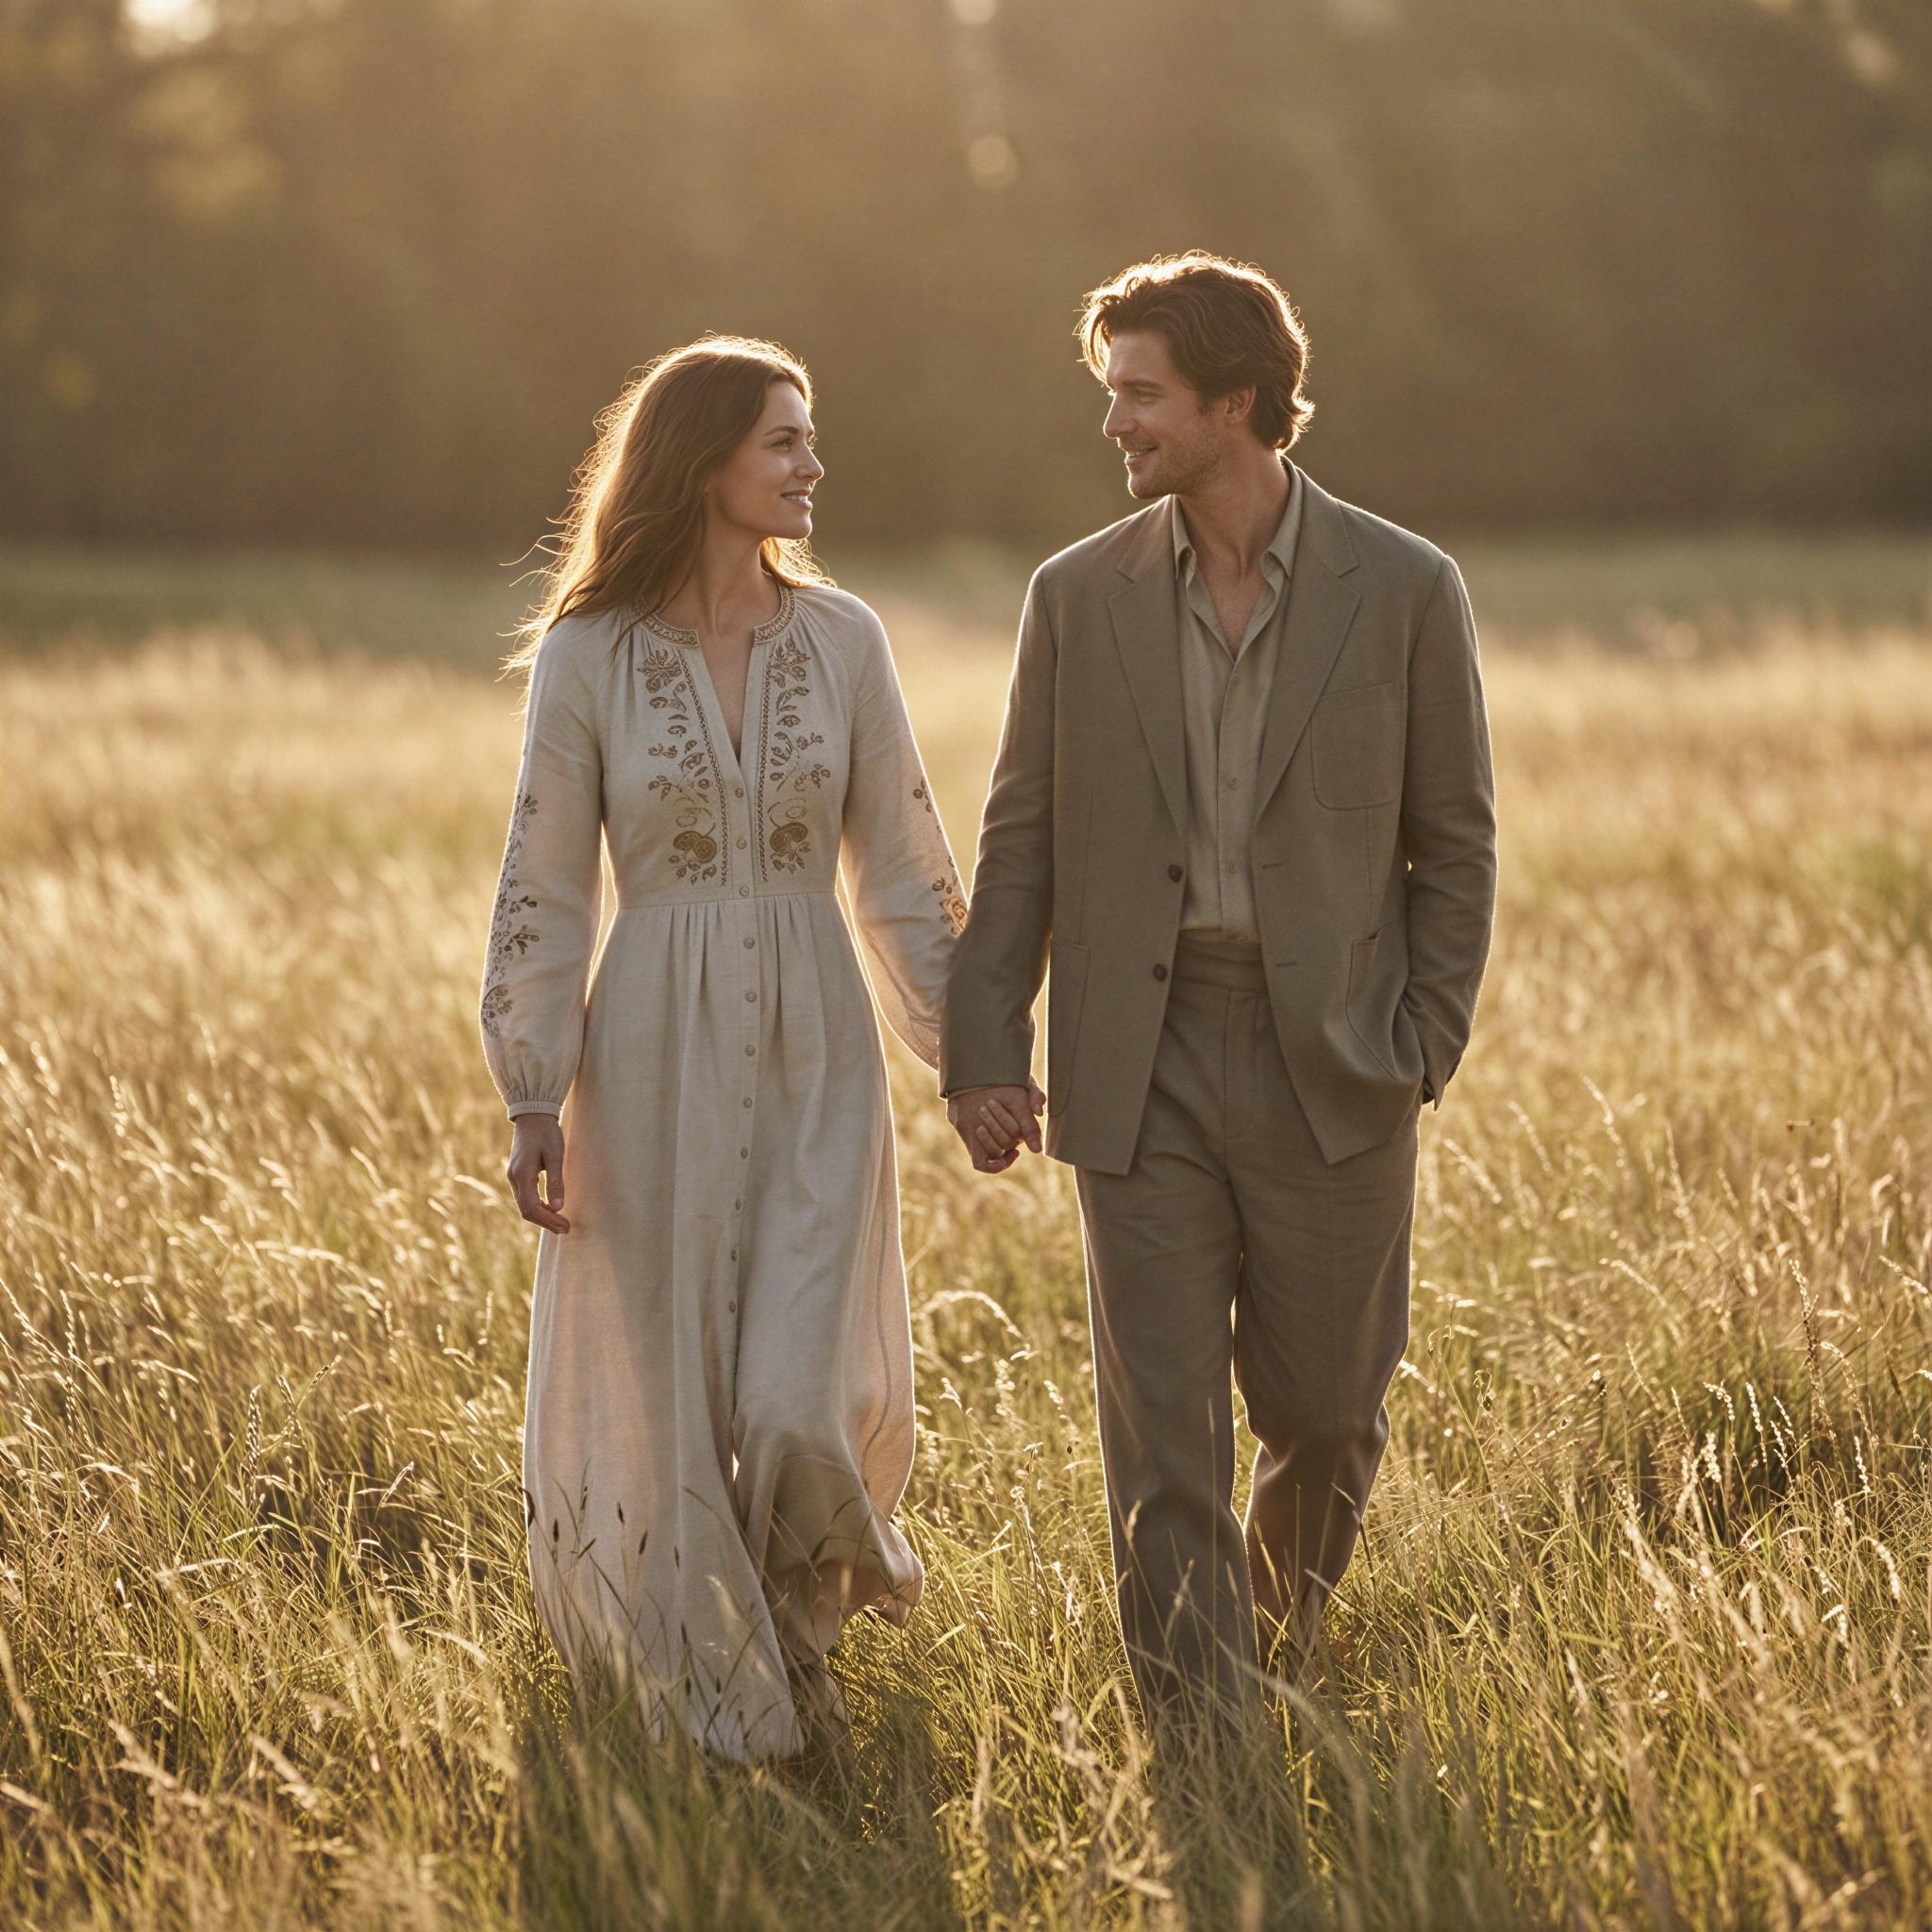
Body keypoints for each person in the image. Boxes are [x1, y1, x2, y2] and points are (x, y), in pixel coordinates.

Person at [941, 253, 1497, 1738]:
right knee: (1165, 1434)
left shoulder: (1407, 587)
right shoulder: (1077, 597)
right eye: (1110, 393)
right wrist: (983, 1043)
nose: (1114, 423)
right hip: (1143, 1054)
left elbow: (1455, 841)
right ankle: (1201, 1738)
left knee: (1325, 1416)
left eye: (1141, 395)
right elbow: (1023, 832)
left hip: (1341, 1062)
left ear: (1234, 403)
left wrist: (1422, 1041)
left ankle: (1270, 1645)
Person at [479, 336, 974, 1759]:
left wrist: (971, 1054)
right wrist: (532, 1093)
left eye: (809, 439)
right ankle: (738, 1698)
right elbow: (544, 878)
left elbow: (903, 869)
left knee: (796, 1396)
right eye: (785, 441)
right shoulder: (589, 656)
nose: (814, 465)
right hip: (645, 1055)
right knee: (677, 1393)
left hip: (821, 1044)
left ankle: (803, 1621)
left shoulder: (848, 641)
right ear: (702, 464)